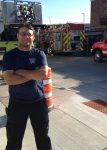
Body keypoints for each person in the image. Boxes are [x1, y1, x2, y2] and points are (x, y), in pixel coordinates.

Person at [2, 22, 52, 150]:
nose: (26, 37)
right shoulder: (9, 56)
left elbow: (43, 74)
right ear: (18, 36)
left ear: (33, 37)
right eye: (23, 34)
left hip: (38, 102)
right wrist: (33, 74)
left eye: (29, 34)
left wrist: (20, 71)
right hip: (17, 104)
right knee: (14, 140)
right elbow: (9, 79)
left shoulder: (39, 54)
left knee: (43, 138)